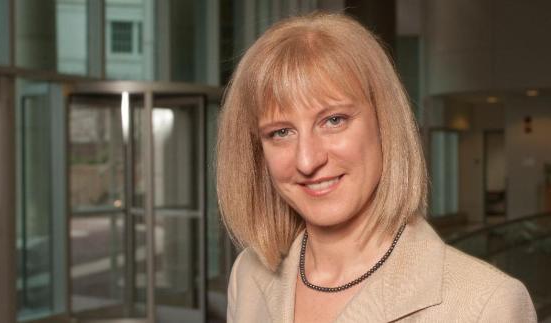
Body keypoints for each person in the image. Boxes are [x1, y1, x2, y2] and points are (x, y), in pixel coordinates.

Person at [216, 12, 537, 323]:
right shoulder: (249, 276)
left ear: (385, 125)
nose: (307, 160)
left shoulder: (486, 304)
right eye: (281, 132)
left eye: (333, 120)